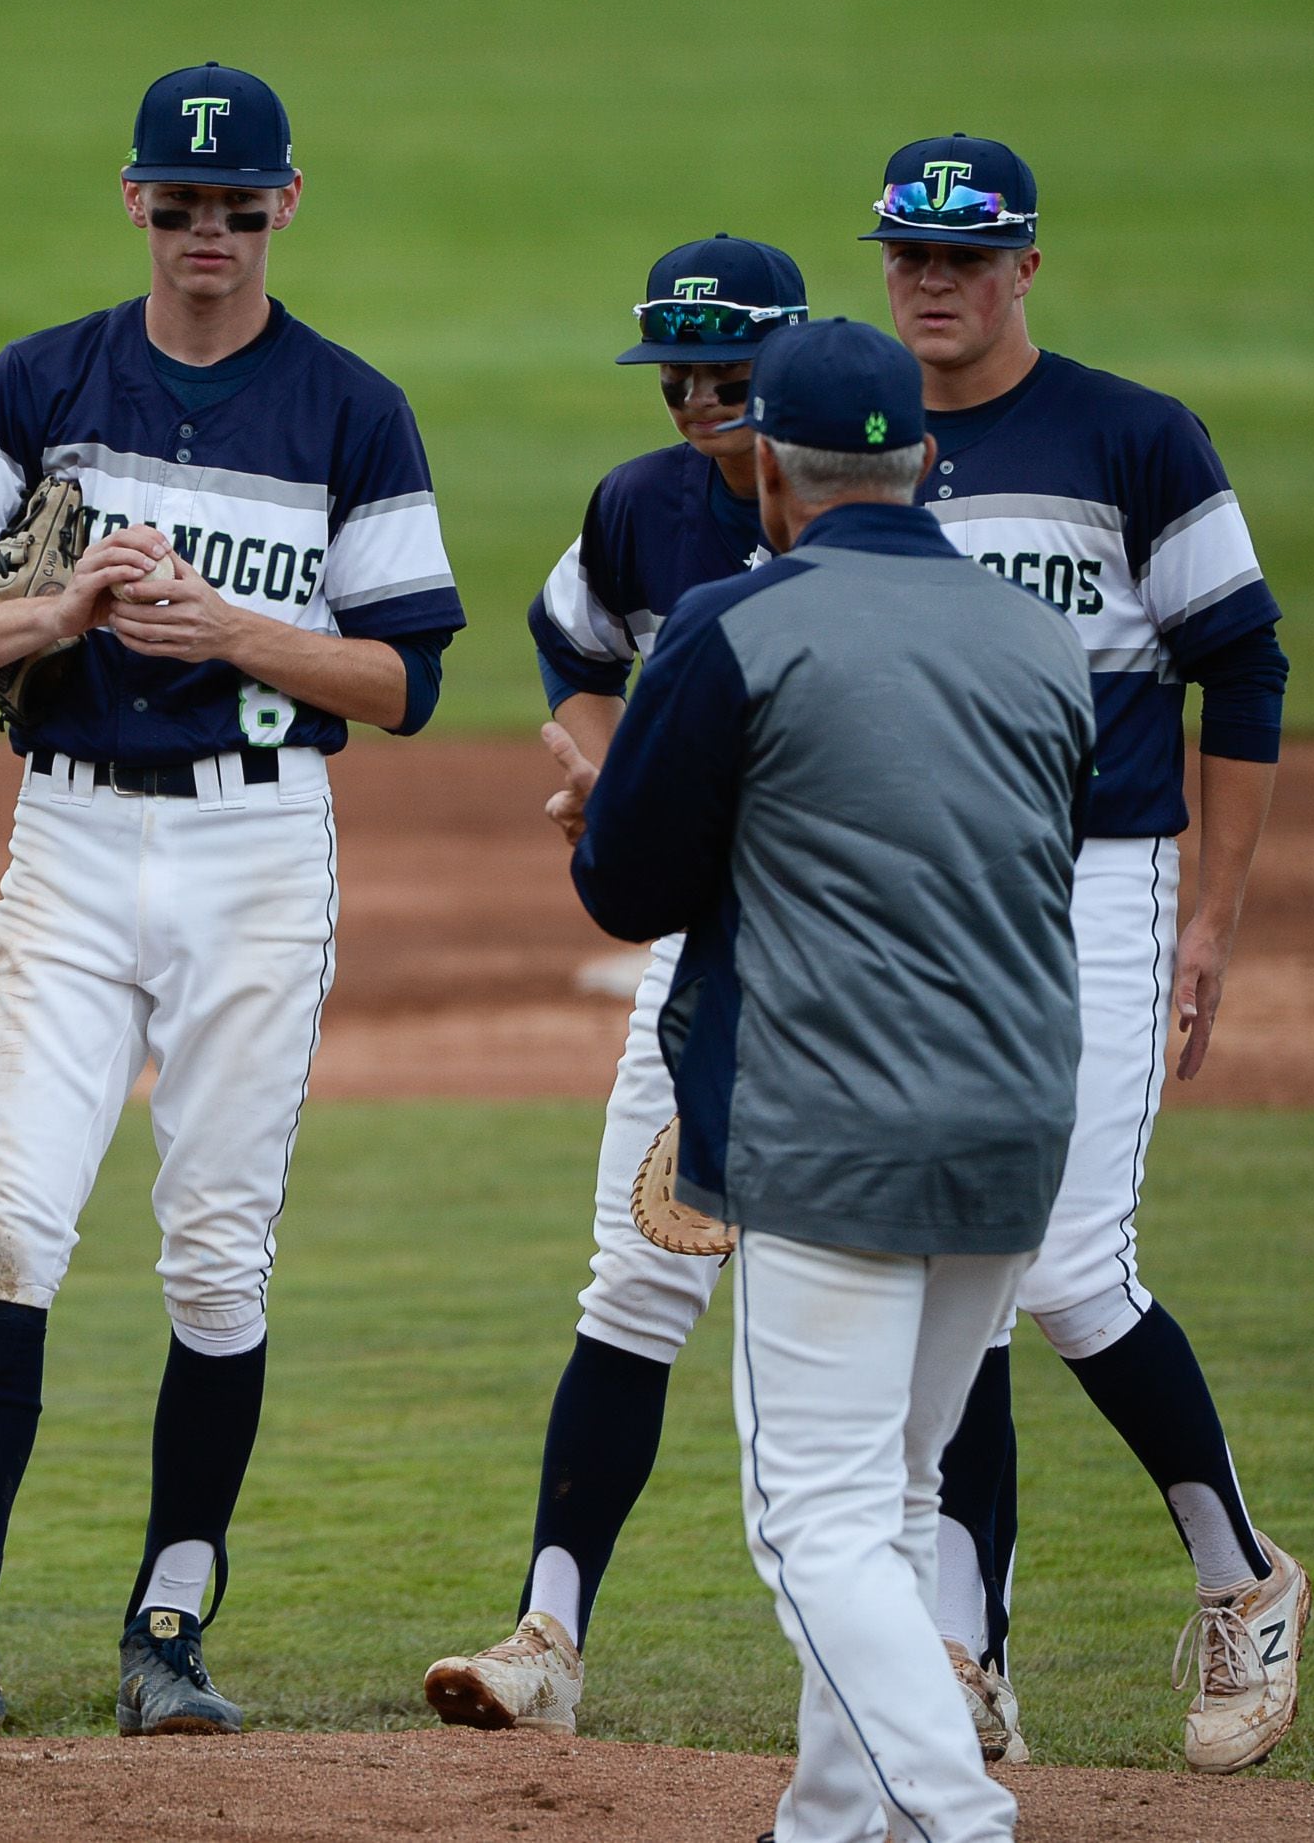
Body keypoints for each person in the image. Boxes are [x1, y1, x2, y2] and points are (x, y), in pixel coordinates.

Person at [0, 61, 466, 1742]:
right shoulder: (41, 384)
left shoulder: (352, 409)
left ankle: (168, 1625)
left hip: (262, 854)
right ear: (135, 202)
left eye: (237, 206)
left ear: (285, 204)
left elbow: (403, 679)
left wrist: (231, 635)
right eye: (178, 204)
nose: (208, 233)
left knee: (215, 1255)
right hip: (74, 835)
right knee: (7, 1219)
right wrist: (51, 621)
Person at [548, 317, 1092, 1843]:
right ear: (921, 462)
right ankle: (830, 1826)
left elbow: (625, 887)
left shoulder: (732, 623)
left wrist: (627, 805)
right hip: (1019, 1119)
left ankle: (954, 1820)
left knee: (812, 1529)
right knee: (897, 1502)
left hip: (832, 1128)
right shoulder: (1041, 638)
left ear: (774, 477)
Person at [868, 133, 1304, 1773]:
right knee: (951, 1277)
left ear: (1026, 266)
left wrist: (1216, 910)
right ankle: (970, 1665)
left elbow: (1243, 667)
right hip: (922, 905)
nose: (934, 283)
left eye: (965, 258)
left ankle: (1244, 1580)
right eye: (910, 255)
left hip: (1094, 884)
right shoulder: (860, 441)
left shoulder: (1133, 438)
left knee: (1057, 1264)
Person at [421, 235, 802, 1735]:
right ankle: (549, 1638)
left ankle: (974, 1667)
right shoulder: (642, 510)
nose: (700, 397)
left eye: (730, 372)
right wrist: (606, 762)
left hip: (867, 974)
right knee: (635, 1279)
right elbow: (571, 644)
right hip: (702, 964)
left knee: (928, 1316)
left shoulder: (886, 505)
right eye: (679, 373)